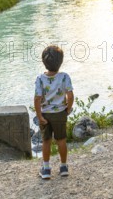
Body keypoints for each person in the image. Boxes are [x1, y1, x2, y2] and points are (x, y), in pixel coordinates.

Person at [34, 45, 74, 179]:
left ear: (44, 62)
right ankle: (63, 166)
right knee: (61, 139)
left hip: (45, 114)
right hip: (60, 113)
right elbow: (70, 95)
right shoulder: (64, 77)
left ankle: (46, 169)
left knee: (46, 141)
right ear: (60, 62)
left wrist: (39, 116)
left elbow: (37, 99)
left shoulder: (40, 79)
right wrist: (68, 109)